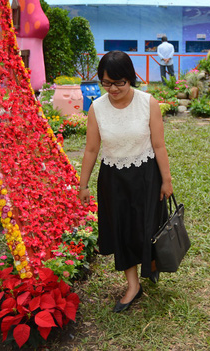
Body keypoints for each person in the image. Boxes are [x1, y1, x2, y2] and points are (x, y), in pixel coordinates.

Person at [78, 51, 174, 312]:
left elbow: (159, 145)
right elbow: (90, 149)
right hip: (113, 178)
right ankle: (133, 286)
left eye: (119, 82)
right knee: (122, 230)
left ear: (130, 79)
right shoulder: (97, 108)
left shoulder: (148, 103)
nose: (113, 89)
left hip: (146, 175)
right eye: (106, 83)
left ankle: (151, 263)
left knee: (147, 226)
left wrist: (166, 180)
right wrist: (83, 184)